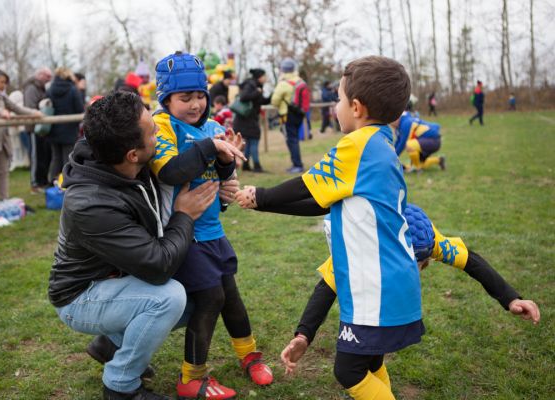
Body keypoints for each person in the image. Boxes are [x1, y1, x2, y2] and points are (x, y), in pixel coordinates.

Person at [236, 56, 422, 400]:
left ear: (355, 106)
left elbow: (305, 185)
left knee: (348, 370)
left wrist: (260, 193)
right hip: (392, 279)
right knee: (367, 363)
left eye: (337, 99)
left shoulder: (358, 144)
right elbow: (321, 202)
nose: (335, 106)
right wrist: (262, 204)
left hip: (375, 287)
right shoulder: (381, 142)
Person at [48, 91, 220, 400]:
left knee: (196, 298)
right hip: (80, 295)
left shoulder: (126, 159)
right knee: (167, 298)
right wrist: (184, 215)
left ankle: (110, 344)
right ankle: (121, 385)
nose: (159, 132)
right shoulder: (91, 203)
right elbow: (157, 267)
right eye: (153, 132)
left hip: (118, 277)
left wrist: (223, 177)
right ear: (132, 154)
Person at [277, 204, 540, 376]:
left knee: (356, 365)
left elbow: (472, 261)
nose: (419, 271)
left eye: (421, 266)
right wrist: (304, 335)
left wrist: (511, 299)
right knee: (352, 368)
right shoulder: (360, 252)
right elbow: (326, 289)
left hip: (380, 295)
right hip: (357, 254)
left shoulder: (431, 240)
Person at [151, 52, 273, 400]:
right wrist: (209, 148)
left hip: (213, 231)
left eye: (199, 95)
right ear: (166, 99)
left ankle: (249, 356)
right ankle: (192, 377)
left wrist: (223, 164)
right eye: (184, 97)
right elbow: (170, 171)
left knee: (230, 297)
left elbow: (222, 182)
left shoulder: (214, 128)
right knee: (211, 298)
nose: (194, 104)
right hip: (181, 234)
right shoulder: (162, 126)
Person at [0, 68, 41, 201]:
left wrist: (33, 112)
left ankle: (4, 199)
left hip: (3, 139)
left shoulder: (2, 95)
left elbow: (16, 108)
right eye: (1, 82)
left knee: (4, 171)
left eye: (5, 82)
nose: (4, 85)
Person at [47, 67, 84, 183]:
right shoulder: (73, 89)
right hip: (69, 128)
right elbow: (79, 109)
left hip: (53, 128)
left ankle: (52, 182)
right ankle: (67, 183)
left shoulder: (50, 89)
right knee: (68, 158)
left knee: (55, 157)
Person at [271, 58, 308, 173]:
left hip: (287, 115)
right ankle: (297, 163)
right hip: (299, 114)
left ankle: (297, 165)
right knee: (295, 139)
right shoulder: (300, 81)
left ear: (283, 70)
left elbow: (274, 101)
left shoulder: (283, 83)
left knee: (291, 140)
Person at [233, 68, 270, 173]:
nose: (265, 78)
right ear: (259, 77)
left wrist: (271, 96)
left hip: (248, 119)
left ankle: (246, 165)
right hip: (246, 120)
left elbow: (261, 101)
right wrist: (257, 92)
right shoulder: (251, 85)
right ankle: (257, 166)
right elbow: (243, 97)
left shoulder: (256, 86)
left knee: (249, 142)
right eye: (264, 76)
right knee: (253, 141)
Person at [22, 67, 52, 194]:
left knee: (44, 157)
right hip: (34, 128)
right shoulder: (31, 88)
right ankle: (35, 184)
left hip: (43, 128)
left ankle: (43, 182)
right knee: (35, 157)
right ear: (40, 75)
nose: (49, 79)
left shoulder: (42, 88)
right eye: (47, 76)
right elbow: (30, 106)